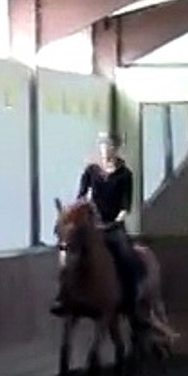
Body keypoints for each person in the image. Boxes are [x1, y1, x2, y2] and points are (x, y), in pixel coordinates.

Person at [51, 132, 146, 334]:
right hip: (92, 225)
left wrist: (116, 221)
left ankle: (130, 299)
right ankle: (63, 297)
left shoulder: (125, 174)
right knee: (69, 257)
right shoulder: (91, 171)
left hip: (113, 226)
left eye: (109, 146)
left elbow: (125, 206)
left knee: (126, 256)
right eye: (103, 145)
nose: (105, 149)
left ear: (116, 149)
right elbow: (81, 197)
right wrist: (75, 214)